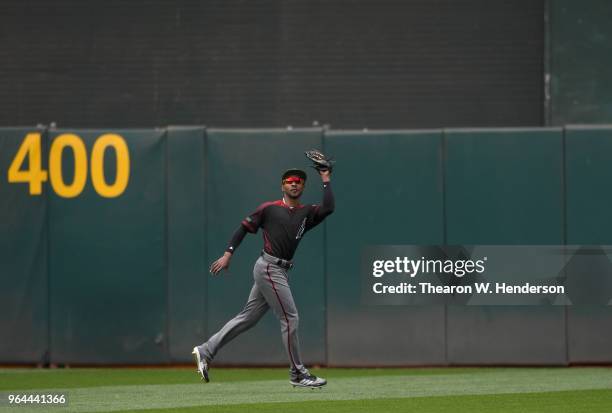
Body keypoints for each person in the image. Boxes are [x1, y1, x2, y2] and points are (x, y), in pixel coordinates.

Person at [192, 167, 334, 388]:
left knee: (248, 317)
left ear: (303, 187)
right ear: (282, 186)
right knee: (290, 318)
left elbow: (329, 208)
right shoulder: (269, 209)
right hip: (269, 267)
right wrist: (228, 254)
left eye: (298, 181)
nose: (294, 184)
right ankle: (297, 374)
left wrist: (325, 179)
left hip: (280, 270)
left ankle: (206, 350)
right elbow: (243, 228)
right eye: (289, 181)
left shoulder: (307, 213)